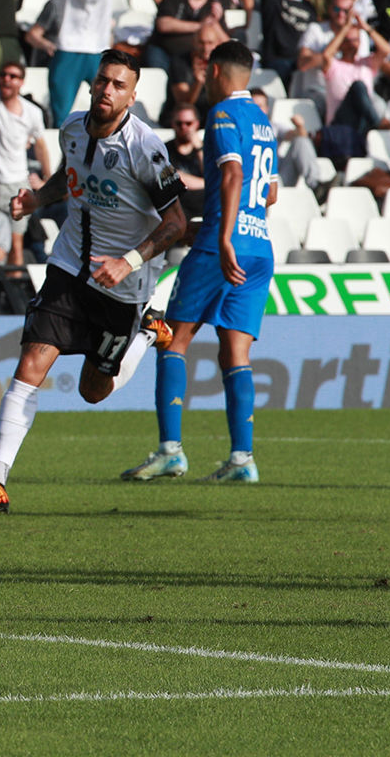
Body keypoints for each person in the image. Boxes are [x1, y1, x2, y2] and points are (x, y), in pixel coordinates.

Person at [0, 49, 187, 513]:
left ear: (132, 96)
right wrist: (37, 199)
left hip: (122, 285)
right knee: (31, 362)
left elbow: (176, 223)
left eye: (119, 85)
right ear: (92, 84)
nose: (108, 90)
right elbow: (68, 179)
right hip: (68, 267)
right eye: (103, 80)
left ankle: (147, 332)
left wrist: (128, 261)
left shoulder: (145, 147)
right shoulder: (71, 128)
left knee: (93, 390)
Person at [124, 40, 276, 484]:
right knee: (236, 353)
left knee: (172, 341)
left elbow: (232, 173)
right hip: (260, 246)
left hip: (220, 245)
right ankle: (242, 459)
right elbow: (269, 192)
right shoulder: (263, 121)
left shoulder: (223, 115)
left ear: (215, 73)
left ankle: (170, 451)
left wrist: (223, 235)